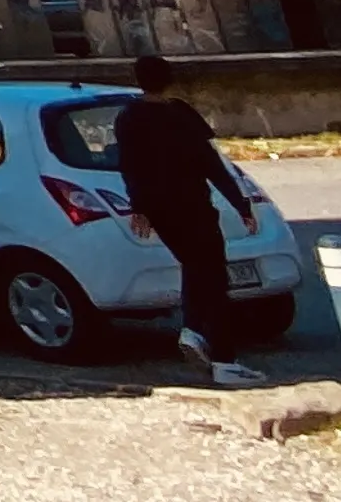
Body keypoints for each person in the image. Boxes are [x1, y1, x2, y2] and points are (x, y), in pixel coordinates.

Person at [114, 53, 267, 388]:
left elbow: (130, 165)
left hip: (159, 210)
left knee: (195, 267)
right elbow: (211, 163)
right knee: (213, 277)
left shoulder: (128, 117)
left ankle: (194, 331)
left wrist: (139, 207)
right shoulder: (181, 115)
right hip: (193, 205)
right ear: (169, 79)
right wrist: (241, 205)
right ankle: (221, 355)